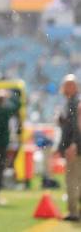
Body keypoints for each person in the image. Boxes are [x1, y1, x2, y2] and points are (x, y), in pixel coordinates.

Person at [56, 74, 81, 222]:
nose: (64, 88)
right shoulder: (71, 102)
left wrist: (73, 144)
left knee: (72, 179)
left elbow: (75, 126)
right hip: (76, 145)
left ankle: (73, 212)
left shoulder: (74, 102)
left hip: (75, 146)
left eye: (67, 85)